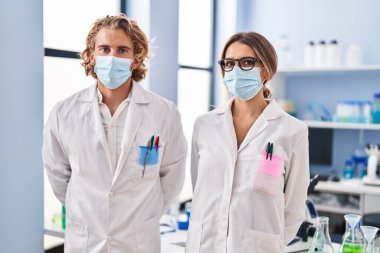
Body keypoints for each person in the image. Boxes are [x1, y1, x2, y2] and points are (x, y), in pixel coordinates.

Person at [43, 14, 187, 253]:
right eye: (104, 49)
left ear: (136, 59)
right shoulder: (63, 113)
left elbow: (172, 178)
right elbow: (59, 177)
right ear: (91, 55)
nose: (112, 57)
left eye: (122, 50)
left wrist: (140, 216)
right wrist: (92, 210)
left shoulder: (165, 113)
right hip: (85, 241)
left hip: (137, 242)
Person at [185, 32, 309, 253]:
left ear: (267, 69)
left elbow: (294, 209)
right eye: (229, 63)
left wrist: (268, 242)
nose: (236, 70)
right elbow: (200, 187)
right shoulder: (204, 125)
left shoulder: (292, 131)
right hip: (205, 245)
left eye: (246, 62)